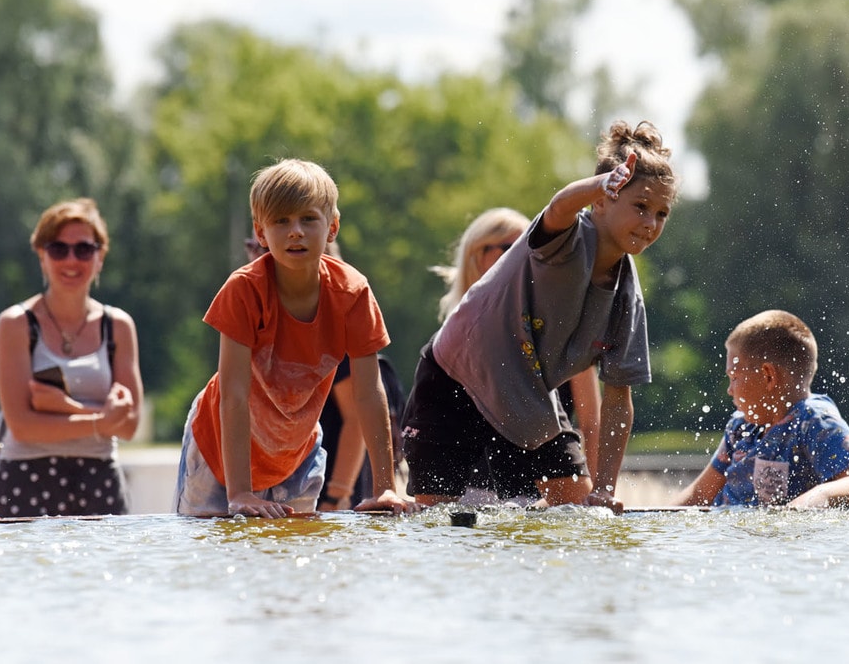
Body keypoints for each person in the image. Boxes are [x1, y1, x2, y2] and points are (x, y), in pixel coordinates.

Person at [401, 120, 676, 513]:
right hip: (453, 380)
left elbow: (618, 399)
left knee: (580, 515)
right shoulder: (567, 239)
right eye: (640, 207)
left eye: (662, 213)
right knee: (442, 523)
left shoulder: (626, 299)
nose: (650, 223)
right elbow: (560, 207)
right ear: (601, 201)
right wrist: (596, 184)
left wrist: (604, 488)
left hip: (526, 399)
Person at [174, 158, 413, 518]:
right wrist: (240, 493)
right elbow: (234, 393)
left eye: (308, 219)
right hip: (218, 449)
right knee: (219, 543)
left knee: (295, 547)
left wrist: (385, 488)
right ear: (261, 233)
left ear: (332, 227)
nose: (295, 231)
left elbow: (368, 392)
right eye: (281, 221)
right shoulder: (244, 290)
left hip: (293, 453)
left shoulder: (352, 293)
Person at [430, 207, 603, 502]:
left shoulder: (563, 331)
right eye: (511, 248)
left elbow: (591, 423)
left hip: (547, 496)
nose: (525, 257)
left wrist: (597, 495)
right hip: (469, 497)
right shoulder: (451, 340)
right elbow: (437, 431)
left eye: (532, 248)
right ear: (476, 256)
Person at [0, 198, 142, 517]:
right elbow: (23, 427)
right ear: (41, 255)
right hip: (26, 478)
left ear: (100, 256)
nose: (71, 259)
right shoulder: (15, 323)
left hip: (100, 479)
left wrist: (65, 407)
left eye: (84, 249)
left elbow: (129, 426)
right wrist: (102, 420)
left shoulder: (118, 326)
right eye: (58, 249)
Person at [245, 231, 407, 511]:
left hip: (325, 490)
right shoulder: (269, 311)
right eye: (253, 245)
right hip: (299, 484)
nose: (254, 255)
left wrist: (336, 495)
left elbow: (356, 418)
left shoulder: (328, 317)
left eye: (260, 247)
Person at [673, 310, 849, 509]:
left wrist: (816, 498)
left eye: (734, 377)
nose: (729, 390)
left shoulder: (814, 420)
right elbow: (699, 495)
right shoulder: (740, 427)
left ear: (768, 376)